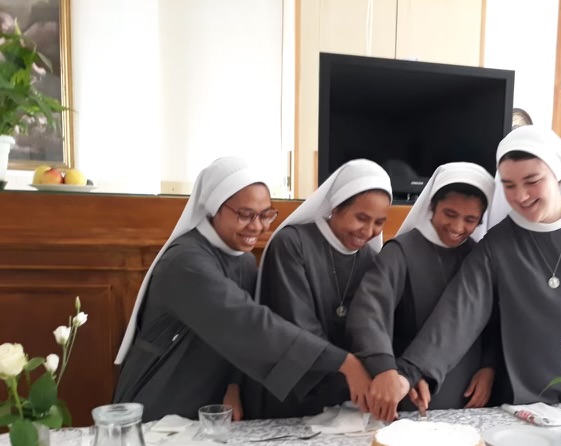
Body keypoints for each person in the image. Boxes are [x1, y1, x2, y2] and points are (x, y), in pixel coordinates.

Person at [376, 125, 561, 419]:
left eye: (532, 181)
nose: (521, 195)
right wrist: (409, 372)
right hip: (521, 403)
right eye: (509, 185)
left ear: (557, 173)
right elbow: (458, 314)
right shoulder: (498, 244)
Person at [113, 157, 370, 422]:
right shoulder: (185, 263)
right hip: (162, 399)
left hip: (211, 404)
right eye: (245, 215)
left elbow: (238, 342)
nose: (257, 226)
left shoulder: (243, 259)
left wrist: (233, 386)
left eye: (266, 215)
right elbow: (247, 323)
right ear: (215, 208)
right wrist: (342, 361)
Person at [346, 163, 501, 422]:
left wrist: (489, 367)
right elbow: (369, 315)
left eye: (470, 220)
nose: (457, 226)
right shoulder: (400, 253)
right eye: (450, 214)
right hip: (409, 389)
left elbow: (493, 322)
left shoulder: (478, 256)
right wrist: (388, 370)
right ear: (432, 206)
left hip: (470, 391)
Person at [250, 158, 392, 418]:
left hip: (348, 394)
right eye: (361, 218)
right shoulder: (292, 244)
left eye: (379, 222)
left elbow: (371, 326)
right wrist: (351, 371)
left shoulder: (370, 259)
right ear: (336, 207)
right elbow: (296, 323)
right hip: (296, 390)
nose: (369, 231)